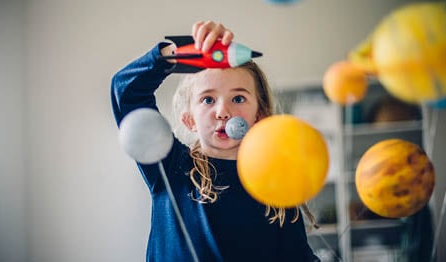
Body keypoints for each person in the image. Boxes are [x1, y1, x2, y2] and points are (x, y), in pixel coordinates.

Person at [111, 21, 319, 262]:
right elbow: (125, 92)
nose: (223, 112)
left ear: (258, 116)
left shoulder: (278, 189)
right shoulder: (172, 167)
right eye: (208, 100)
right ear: (190, 120)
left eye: (238, 98)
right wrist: (177, 53)